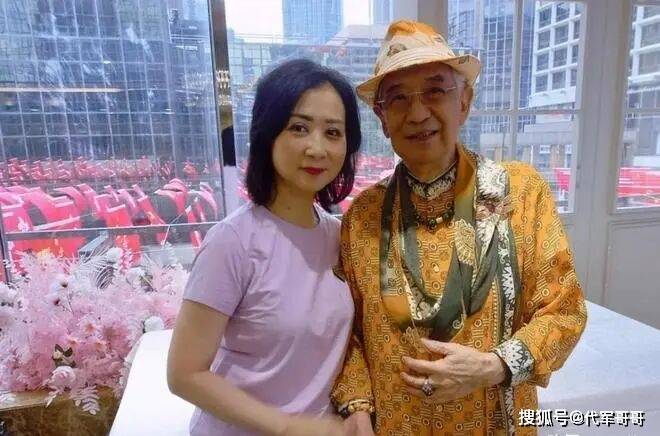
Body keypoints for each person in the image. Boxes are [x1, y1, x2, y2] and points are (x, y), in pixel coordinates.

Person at [331, 20, 587, 435]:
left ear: (464, 102)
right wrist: (357, 405)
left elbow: (565, 312)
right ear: (382, 118)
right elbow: (349, 333)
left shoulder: (519, 193)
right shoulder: (364, 215)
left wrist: (494, 365)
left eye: (435, 91)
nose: (417, 113)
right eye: (398, 98)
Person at [167, 58, 361, 436]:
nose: (317, 148)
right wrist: (287, 426)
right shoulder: (233, 242)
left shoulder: (341, 238)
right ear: (267, 133)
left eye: (333, 132)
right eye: (299, 128)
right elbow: (184, 373)